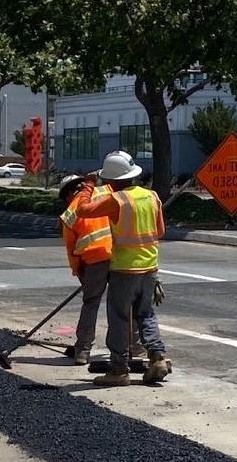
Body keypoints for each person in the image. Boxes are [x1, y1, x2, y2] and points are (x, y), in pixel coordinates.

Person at [72, 153, 169, 387]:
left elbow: (82, 210)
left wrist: (87, 185)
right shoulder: (151, 196)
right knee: (145, 315)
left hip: (124, 270)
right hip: (149, 268)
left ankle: (118, 370)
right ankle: (157, 357)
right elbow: (161, 231)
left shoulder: (117, 200)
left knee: (119, 318)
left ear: (110, 181)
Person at [58, 173, 113, 365]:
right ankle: (132, 347)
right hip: (118, 255)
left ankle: (82, 351)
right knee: (123, 304)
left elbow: (72, 250)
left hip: (92, 261)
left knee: (90, 304)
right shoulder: (107, 192)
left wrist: (79, 272)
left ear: (67, 195)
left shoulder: (69, 214)